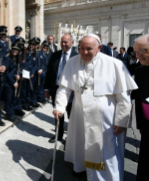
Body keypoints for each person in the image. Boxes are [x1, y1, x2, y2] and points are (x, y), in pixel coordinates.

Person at [54, 34, 137, 180]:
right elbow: (64, 89)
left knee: (108, 154)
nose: (84, 53)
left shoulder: (114, 64)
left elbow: (124, 97)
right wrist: (59, 107)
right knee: (82, 148)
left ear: (99, 48)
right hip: (80, 116)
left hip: (107, 120)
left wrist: (121, 121)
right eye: (81, 49)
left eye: (89, 49)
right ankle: (84, 172)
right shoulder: (73, 62)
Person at [44, 33, 78, 143]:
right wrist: (46, 88)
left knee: (72, 115)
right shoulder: (55, 55)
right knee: (58, 114)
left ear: (72, 43)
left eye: (66, 42)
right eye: (62, 42)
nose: (63, 44)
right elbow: (49, 73)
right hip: (56, 89)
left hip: (72, 92)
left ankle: (72, 137)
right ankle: (58, 135)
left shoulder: (77, 57)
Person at [132, 34, 149, 181]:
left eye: (142, 50)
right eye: (136, 52)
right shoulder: (140, 71)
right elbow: (136, 98)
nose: (137, 55)